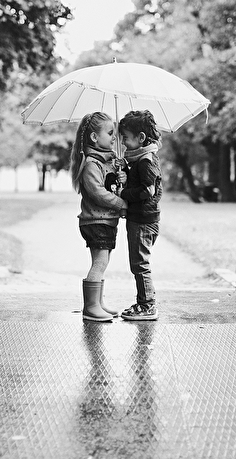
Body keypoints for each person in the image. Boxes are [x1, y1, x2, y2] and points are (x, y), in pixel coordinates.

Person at [69, 111, 128, 322]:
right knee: (100, 262)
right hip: (95, 221)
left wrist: (122, 176)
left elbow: (112, 186)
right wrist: (121, 204)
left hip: (106, 221)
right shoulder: (92, 164)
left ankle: (98, 302)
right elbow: (97, 192)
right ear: (94, 137)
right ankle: (90, 307)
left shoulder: (107, 162)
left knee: (103, 261)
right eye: (110, 133)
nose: (114, 137)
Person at [117, 110, 162, 321]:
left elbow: (147, 191)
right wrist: (125, 173)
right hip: (141, 219)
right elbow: (139, 182)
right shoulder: (140, 159)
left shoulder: (145, 160)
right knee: (138, 262)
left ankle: (147, 305)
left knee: (139, 263)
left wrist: (123, 193)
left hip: (143, 221)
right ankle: (144, 302)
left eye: (125, 137)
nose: (123, 142)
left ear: (141, 137)